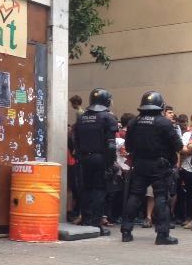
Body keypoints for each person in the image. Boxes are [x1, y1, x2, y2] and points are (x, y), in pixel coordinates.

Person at [120, 91, 183, 245]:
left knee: (134, 196)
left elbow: (128, 146)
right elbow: (178, 146)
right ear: (160, 105)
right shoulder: (164, 123)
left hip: (140, 164)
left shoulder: (133, 122)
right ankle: (162, 235)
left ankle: (126, 232)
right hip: (160, 166)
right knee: (161, 198)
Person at [72, 88, 118, 236]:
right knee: (99, 190)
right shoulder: (108, 117)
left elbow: (75, 140)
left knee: (86, 189)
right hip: (101, 158)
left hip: (84, 158)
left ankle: (86, 219)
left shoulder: (82, 117)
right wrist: (111, 163)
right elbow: (111, 144)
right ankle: (95, 223)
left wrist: (79, 157)